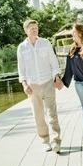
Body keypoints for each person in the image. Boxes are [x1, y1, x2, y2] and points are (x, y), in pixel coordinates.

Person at [17, 19, 64, 153]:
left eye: (36, 28)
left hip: (47, 82)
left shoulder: (45, 43)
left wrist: (57, 78)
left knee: (52, 113)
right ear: (26, 30)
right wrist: (24, 84)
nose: (35, 30)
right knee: (38, 115)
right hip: (32, 86)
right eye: (32, 28)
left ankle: (56, 140)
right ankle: (45, 140)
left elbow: (53, 61)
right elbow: (21, 69)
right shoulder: (22, 47)